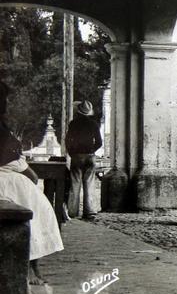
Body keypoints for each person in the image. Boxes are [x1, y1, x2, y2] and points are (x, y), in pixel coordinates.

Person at [0, 81, 64, 283]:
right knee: (38, 212)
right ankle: (30, 268)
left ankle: (31, 268)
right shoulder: (3, 132)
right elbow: (30, 174)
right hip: (8, 182)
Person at [66, 100, 103, 220]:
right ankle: (89, 211)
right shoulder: (94, 124)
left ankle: (72, 211)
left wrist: (72, 152)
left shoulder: (73, 124)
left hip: (76, 155)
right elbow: (99, 142)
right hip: (90, 156)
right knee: (89, 183)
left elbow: (68, 141)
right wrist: (92, 150)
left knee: (74, 183)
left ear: (79, 111)